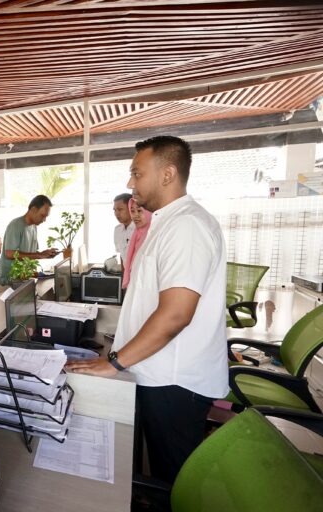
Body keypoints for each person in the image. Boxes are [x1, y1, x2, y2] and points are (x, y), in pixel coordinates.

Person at [67, 135, 228, 485]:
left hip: (174, 380)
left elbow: (175, 314)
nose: (130, 183)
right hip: (157, 369)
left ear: (167, 174)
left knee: (175, 480)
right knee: (161, 467)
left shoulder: (186, 226)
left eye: (137, 173)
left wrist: (114, 362)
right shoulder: (166, 222)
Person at [0, 195, 58, 286]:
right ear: (33, 209)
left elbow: (30, 253)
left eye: (46, 217)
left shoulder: (34, 227)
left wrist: (44, 254)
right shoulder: (15, 225)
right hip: (8, 282)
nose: (44, 220)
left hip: (23, 279)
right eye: (42, 216)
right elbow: (9, 253)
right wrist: (39, 255)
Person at [121, 198, 152, 289]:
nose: (135, 215)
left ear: (149, 212)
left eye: (139, 211)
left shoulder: (153, 236)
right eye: (132, 211)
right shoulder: (136, 234)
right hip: (135, 285)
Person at [113, 192, 135, 264]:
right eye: (115, 210)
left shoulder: (139, 229)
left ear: (130, 208)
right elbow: (122, 257)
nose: (117, 214)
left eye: (120, 209)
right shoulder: (117, 230)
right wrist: (123, 275)